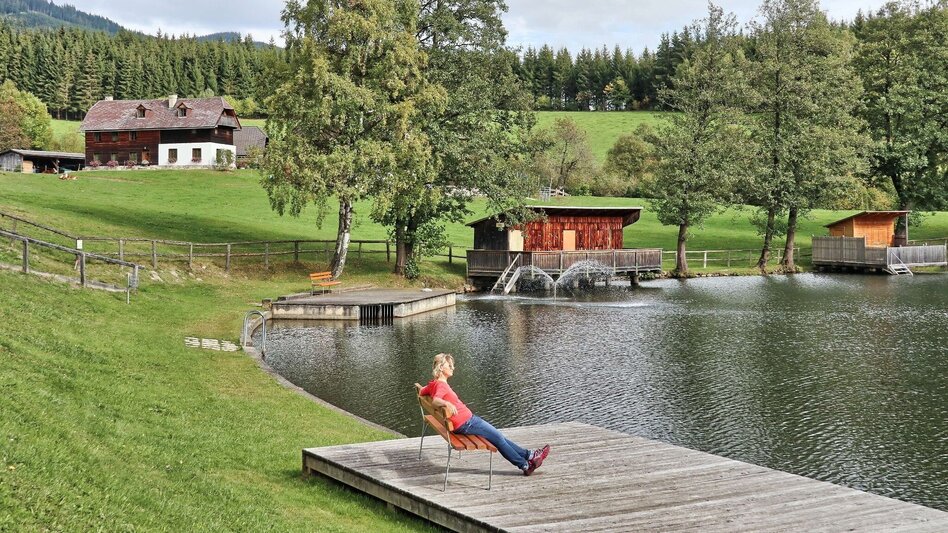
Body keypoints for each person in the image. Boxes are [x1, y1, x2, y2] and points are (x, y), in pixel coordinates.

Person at [415, 353, 550, 476]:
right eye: (449, 365)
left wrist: (430, 393)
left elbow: (421, 392)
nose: (453, 368)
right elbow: (436, 401)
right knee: (498, 438)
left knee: (498, 437)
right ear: (441, 368)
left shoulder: (434, 384)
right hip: (467, 423)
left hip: (464, 423)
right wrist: (446, 404)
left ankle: (530, 455)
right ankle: (525, 465)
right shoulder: (441, 386)